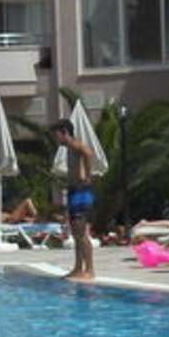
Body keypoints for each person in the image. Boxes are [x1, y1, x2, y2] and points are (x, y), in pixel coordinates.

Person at [53, 118, 98, 280]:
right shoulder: (69, 149)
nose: (56, 139)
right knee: (76, 232)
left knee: (81, 231)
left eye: (57, 135)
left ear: (65, 132)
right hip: (74, 191)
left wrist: (87, 174)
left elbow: (88, 153)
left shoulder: (76, 145)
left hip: (81, 191)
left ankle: (90, 270)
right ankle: (78, 268)